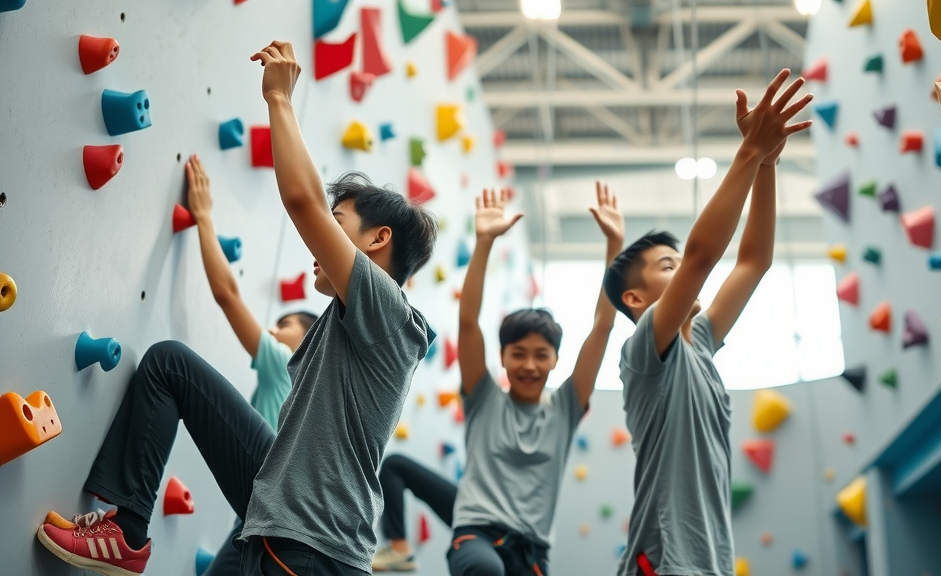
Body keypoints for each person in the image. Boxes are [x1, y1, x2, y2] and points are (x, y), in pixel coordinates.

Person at [37, 40, 437, 576]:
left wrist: (279, 100)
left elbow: (302, 201)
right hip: (278, 512)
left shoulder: (390, 313)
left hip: (317, 550)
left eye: (337, 225)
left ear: (376, 240)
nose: (320, 243)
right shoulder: (345, 325)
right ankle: (127, 533)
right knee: (169, 364)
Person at [602, 69, 812, 576]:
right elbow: (701, 257)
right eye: (665, 268)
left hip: (709, 561)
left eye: (676, 265)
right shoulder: (644, 352)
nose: (681, 275)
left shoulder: (702, 343)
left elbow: (753, 262)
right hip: (665, 559)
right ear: (634, 298)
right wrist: (746, 154)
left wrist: (766, 165)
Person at [375, 185, 623, 575]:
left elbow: (603, 325)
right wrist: (485, 242)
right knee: (483, 568)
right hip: (478, 535)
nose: (529, 365)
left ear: (556, 360)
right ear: (503, 357)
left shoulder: (566, 407)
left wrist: (615, 247)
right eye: (518, 354)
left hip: (531, 551)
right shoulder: (485, 398)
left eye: (541, 355)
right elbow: (469, 322)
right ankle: (400, 548)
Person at [183, 154, 317, 576]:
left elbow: (227, 294)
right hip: (263, 516)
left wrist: (204, 217)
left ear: (308, 338)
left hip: (272, 503)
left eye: (285, 324)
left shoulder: (287, 362)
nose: (274, 332)